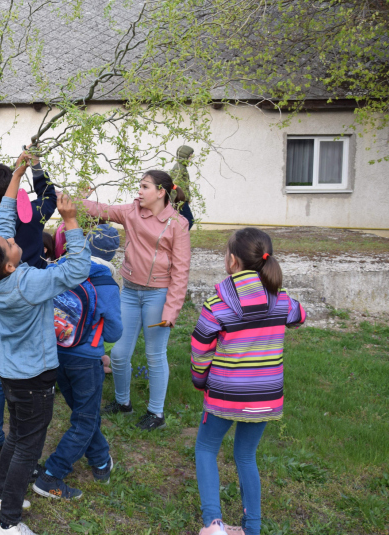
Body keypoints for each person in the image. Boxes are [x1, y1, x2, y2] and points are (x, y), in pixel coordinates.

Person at [0, 151, 90, 535]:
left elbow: (4, 218)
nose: (10, 237)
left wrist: (17, 175)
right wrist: (71, 222)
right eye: (9, 244)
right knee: (26, 447)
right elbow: (77, 268)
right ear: (7, 262)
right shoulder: (29, 283)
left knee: (17, 436)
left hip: (9, 372)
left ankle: (1, 496)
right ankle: (8, 524)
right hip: (35, 376)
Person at [191, 228, 305, 535]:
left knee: (206, 448)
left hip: (225, 394)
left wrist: (200, 378)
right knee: (245, 455)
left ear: (231, 260)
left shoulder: (218, 303)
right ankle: (251, 528)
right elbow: (300, 316)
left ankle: (213, 523)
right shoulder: (280, 300)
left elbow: (201, 346)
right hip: (266, 396)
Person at [80, 170, 191, 430]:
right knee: (118, 353)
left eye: (144, 187)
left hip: (158, 295)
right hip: (129, 292)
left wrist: (171, 310)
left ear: (161, 192)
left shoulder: (177, 224)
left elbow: (181, 271)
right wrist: (73, 198)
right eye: (139, 186)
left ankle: (156, 413)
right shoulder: (131, 212)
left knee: (155, 354)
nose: (139, 191)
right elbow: (100, 209)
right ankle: (123, 403)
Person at [0, 149, 57, 464]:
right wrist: (36, 168)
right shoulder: (32, 214)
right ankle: (23, 431)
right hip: (34, 297)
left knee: (1, 371)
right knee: (31, 368)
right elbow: (50, 198)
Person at [33, 224, 122, 500]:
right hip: (86, 360)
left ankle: (100, 461)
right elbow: (114, 332)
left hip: (55, 353)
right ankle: (52, 473)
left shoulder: (60, 268)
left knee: (84, 414)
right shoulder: (105, 282)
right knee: (85, 419)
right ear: (113, 254)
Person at [170, 145, 195, 230]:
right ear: (185, 156)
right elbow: (173, 185)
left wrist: (188, 198)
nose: (191, 159)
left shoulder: (182, 167)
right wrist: (176, 201)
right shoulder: (178, 168)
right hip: (179, 201)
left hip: (183, 200)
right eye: (190, 156)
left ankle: (178, 238)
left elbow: (185, 185)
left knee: (182, 221)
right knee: (189, 220)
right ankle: (179, 237)